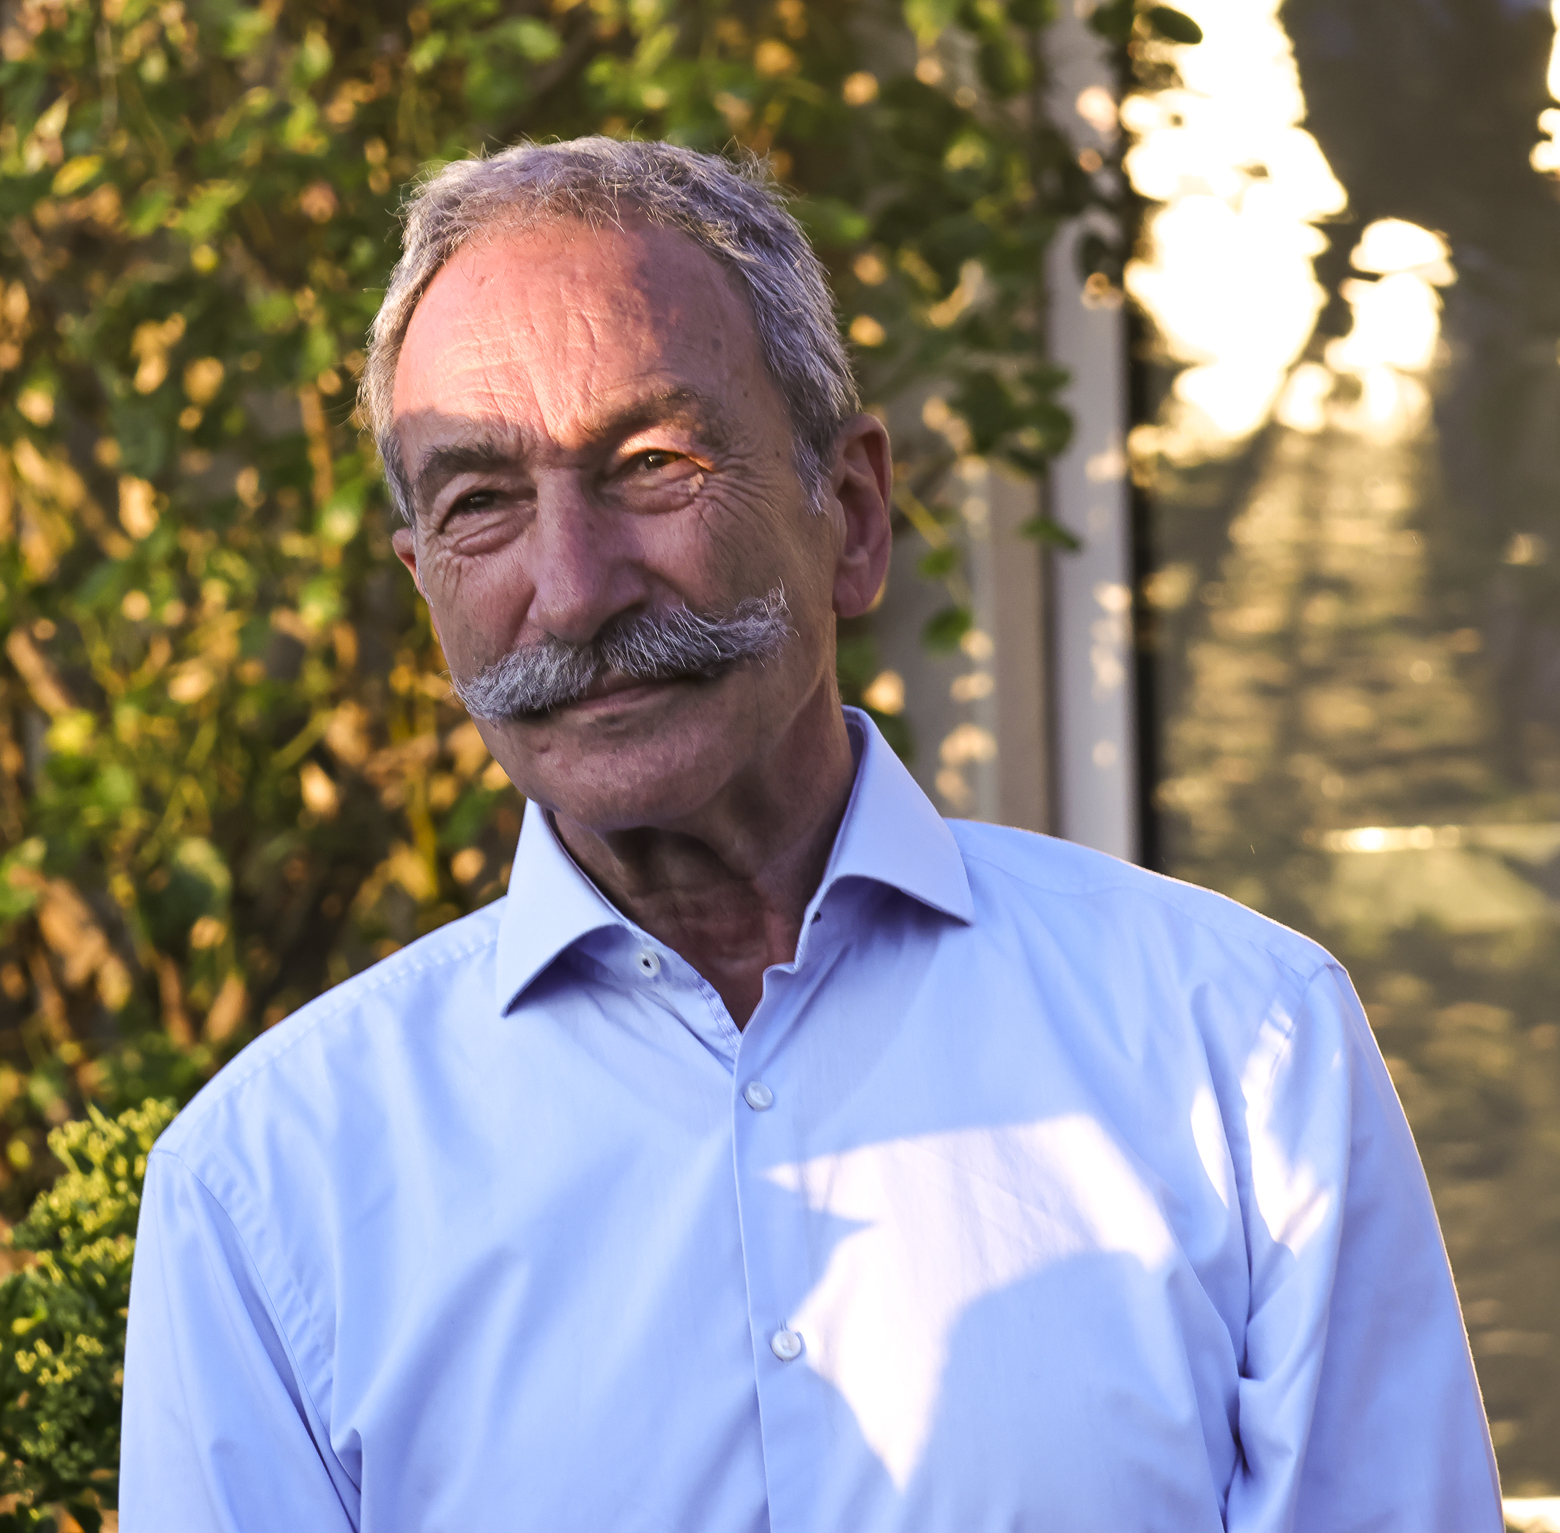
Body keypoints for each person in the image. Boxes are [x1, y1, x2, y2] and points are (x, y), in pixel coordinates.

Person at [120, 137, 1502, 1532]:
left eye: (651, 465)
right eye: (482, 503)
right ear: (425, 584)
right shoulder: (267, 1187)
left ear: (852, 515)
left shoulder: (1244, 1049)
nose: (575, 589)